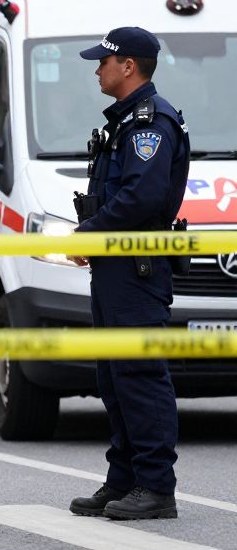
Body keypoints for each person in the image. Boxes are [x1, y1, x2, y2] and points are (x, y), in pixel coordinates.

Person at [66, 27, 190, 521]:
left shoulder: (149, 123)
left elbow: (140, 197)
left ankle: (157, 488)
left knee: (139, 374)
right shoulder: (125, 122)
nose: (98, 69)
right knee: (115, 376)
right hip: (116, 265)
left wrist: (90, 231)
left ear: (129, 66)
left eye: (104, 62)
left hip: (136, 267)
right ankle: (125, 479)